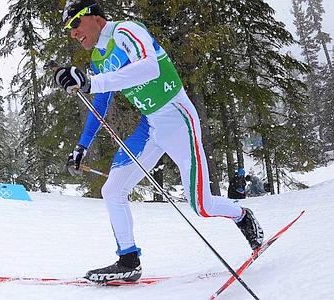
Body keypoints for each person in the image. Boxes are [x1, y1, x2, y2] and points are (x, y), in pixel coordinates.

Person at [54, 0, 263, 283]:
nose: (73, 33)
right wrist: (81, 146)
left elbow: (150, 67)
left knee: (201, 205)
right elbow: (100, 103)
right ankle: (128, 260)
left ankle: (242, 215)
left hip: (177, 119)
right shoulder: (99, 59)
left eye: (75, 23)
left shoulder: (126, 31)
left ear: (94, 16)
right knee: (113, 189)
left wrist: (93, 82)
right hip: (150, 126)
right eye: (68, 29)